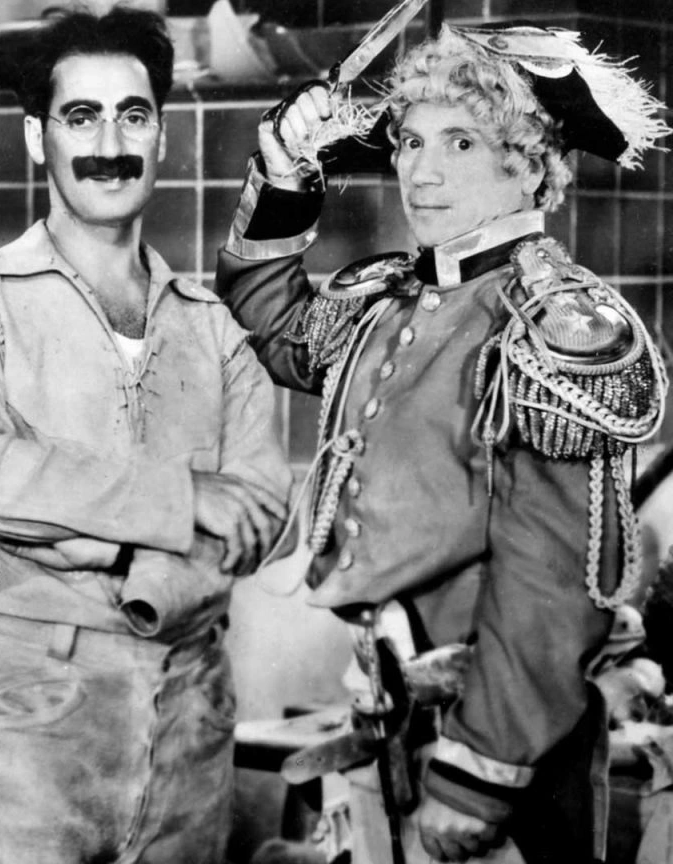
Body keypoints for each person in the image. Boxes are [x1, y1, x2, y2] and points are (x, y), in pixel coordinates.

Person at [217, 22, 670, 864]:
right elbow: (273, 325)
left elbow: (550, 590)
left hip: (502, 747)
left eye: (459, 142)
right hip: (392, 720)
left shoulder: (555, 326)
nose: (420, 172)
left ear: (529, 164)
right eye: (411, 141)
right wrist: (283, 172)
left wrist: (476, 776)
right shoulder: (391, 298)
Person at [0, 7, 291, 863]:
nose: (110, 145)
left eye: (133, 115)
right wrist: (181, 502)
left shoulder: (213, 325)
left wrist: (103, 554)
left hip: (191, 708)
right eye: (81, 117)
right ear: (36, 138)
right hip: (35, 709)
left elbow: (266, 508)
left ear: (162, 135)